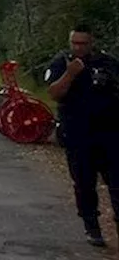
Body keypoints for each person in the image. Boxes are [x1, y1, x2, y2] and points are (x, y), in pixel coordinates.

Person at [45, 23, 119, 247]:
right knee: (84, 184)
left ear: (91, 43)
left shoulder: (107, 62)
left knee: (117, 184)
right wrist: (70, 74)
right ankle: (92, 227)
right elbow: (54, 93)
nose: (78, 47)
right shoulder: (62, 62)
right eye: (74, 43)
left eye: (83, 43)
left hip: (110, 133)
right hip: (78, 134)